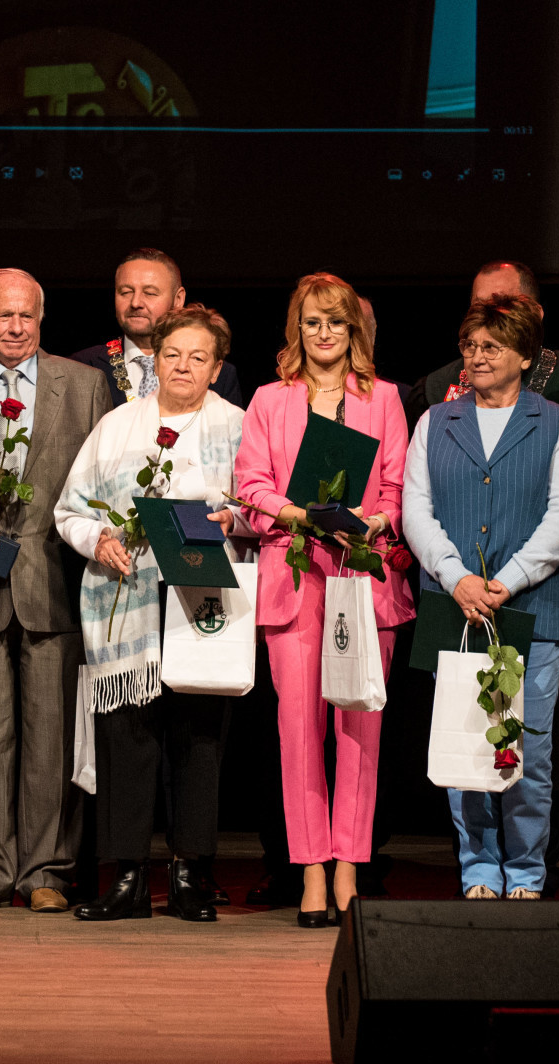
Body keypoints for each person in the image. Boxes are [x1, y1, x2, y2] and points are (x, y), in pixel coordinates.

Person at [55, 305, 250, 922]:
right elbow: (69, 510)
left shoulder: (239, 426)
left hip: (202, 601)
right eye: (172, 355)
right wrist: (99, 540)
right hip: (127, 599)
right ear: (154, 362)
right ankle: (128, 879)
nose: (183, 367)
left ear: (217, 368)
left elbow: (262, 507)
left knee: (197, 742)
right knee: (128, 740)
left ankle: (192, 875)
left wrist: (233, 519)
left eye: (198, 357)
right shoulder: (117, 425)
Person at [427, 260, 559, 898]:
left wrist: (503, 582)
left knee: (527, 750)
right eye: (470, 346)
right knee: (466, 744)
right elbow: (415, 513)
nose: (478, 358)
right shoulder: (436, 422)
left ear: (524, 354)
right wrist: (457, 579)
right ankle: (478, 868)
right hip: (457, 608)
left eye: (492, 347)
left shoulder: (554, 422)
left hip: (531, 609)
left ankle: (526, 870)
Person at [233, 273, 414, 926]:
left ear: (353, 329)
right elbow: (250, 484)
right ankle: (309, 869)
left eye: (336, 322)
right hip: (294, 577)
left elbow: (397, 488)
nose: (325, 333)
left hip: (363, 578)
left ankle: (349, 870)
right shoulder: (269, 400)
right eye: (313, 322)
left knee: (359, 731)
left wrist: (377, 520)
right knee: (298, 732)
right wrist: (294, 512)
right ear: (296, 329)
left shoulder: (385, 398)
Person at [0, 269, 113, 914]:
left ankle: (46, 872)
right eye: (4, 316)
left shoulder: (87, 385)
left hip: (56, 581)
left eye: (27, 317)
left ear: (42, 320)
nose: (16, 328)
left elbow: (106, 481)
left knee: (51, 734)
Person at [68, 248, 244, 407]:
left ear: (178, 299)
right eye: (126, 292)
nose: (136, 303)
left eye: (150, 293)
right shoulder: (82, 366)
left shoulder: (216, 373)